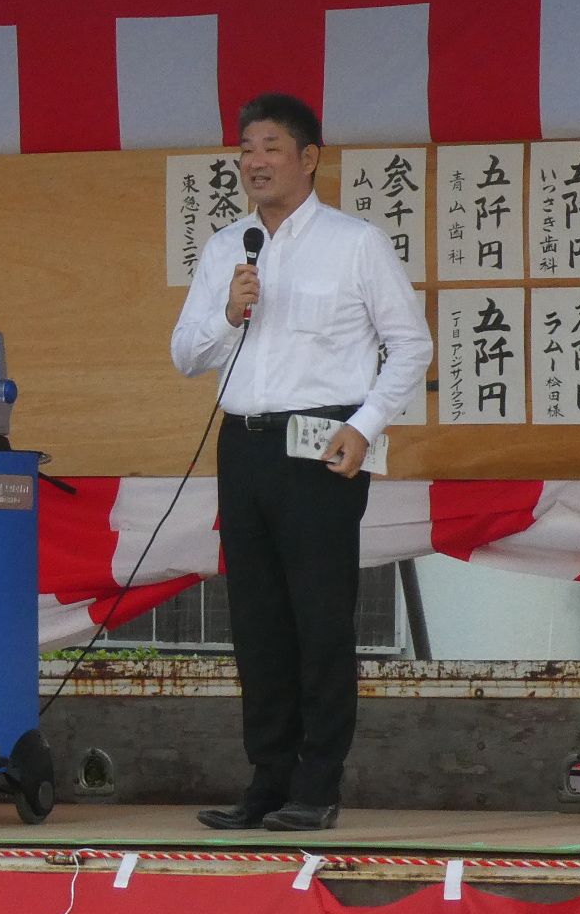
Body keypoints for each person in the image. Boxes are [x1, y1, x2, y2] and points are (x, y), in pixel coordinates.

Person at [170, 93, 431, 832]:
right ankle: (266, 781)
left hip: (323, 445)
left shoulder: (355, 243)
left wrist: (367, 422)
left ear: (309, 157)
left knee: (319, 619)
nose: (254, 161)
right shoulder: (228, 249)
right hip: (244, 443)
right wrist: (226, 313)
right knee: (256, 621)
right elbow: (185, 355)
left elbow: (411, 344)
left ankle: (317, 785)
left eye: (271, 147)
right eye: (246, 149)